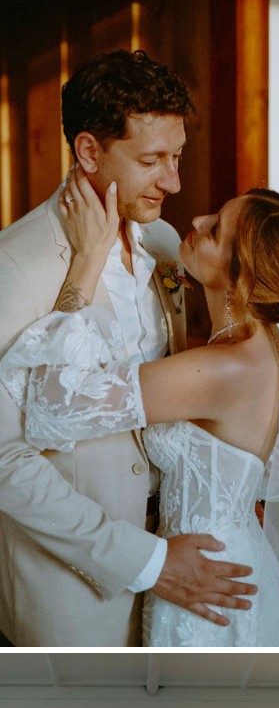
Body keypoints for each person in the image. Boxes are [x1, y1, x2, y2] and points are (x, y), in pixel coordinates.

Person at [0, 169, 279, 646]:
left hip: (202, 584)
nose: (197, 217)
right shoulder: (263, 344)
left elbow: (53, 407)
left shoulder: (221, 370)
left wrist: (86, 264)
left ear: (243, 277)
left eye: (215, 231)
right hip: (218, 561)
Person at [0, 48, 258, 646]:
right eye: (152, 161)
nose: (173, 181)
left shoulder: (166, 242)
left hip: (188, 573)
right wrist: (149, 562)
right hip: (73, 600)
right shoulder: (15, 265)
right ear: (89, 151)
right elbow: (6, 461)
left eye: (177, 157)